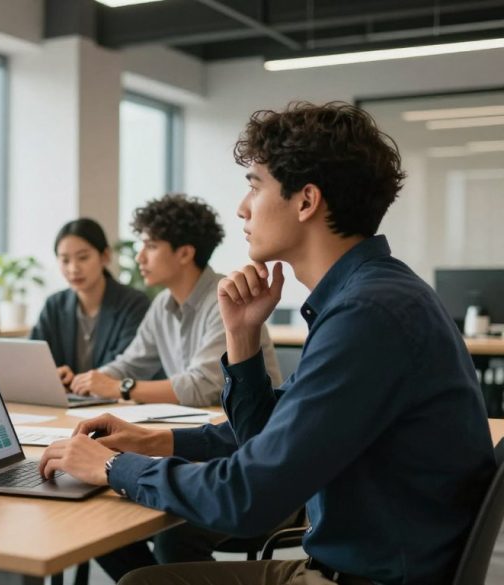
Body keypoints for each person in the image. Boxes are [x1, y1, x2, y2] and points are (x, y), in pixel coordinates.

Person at [40, 102, 495, 585]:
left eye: (254, 184)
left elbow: (247, 498)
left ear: (306, 202)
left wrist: (113, 466)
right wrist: (236, 343)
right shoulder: (371, 294)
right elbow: (274, 433)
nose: (241, 207)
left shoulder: (366, 315)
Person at [69, 194, 282, 406]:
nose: (139, 257)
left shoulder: (227, 299)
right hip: (202, 427)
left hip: (251, 431)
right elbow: (131, 364)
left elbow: (201, 386)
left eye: (151, 246)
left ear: (185, 254)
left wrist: (120, 388)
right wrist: (85, 383)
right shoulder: (162, 303)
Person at [30, 218, 150, 388]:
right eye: (65, 260)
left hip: (115, 403)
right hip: (65, 402)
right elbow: (33, 359)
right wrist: (54, 375)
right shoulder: (54, 305)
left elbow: (130, 366)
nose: (73, 269)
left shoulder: (133, 304)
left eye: (83, 258)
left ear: (105, 256)